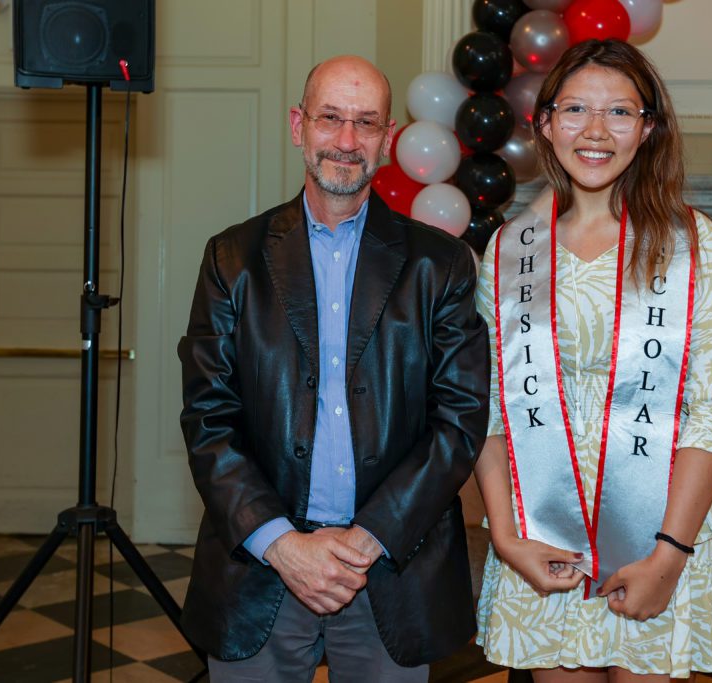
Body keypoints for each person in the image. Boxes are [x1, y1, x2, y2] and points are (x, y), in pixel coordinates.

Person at [177, 55, 489, 681]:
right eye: (330, 119)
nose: (346, 142)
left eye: (366, 123)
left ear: (388, 139)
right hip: (260, 572)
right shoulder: (231, 259)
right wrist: (284, 546)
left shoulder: (441, 265)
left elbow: (459, 420)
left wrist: (367, 539)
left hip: (391, 573)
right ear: (299, 125)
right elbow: (208, 419)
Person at [473, 39, 712, 681]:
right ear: (544, 123)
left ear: (648, 128)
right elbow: (490, 406)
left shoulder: (688, 242)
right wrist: (505, 534)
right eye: (574, 109)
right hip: (544, 529)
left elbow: (710, 409)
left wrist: (669, 555)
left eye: (620, 113)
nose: (595, 131)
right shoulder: (510, 250)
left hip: (659, 530)